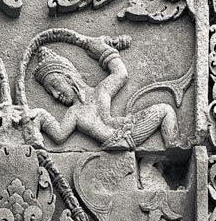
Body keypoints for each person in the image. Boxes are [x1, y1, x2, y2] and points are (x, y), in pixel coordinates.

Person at [23, 36, 179, 150]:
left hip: (127, 131)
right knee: (165, 110)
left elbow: (121, 74)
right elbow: (59, 136)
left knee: (165, 110)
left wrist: (103, 50)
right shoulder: (74, 113)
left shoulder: (101, 90)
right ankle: (174, 146)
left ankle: (174, 147)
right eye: (50, 92)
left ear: (69, 78)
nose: (56, 94)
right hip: (116, 141)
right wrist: (41, 116)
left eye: (55, 86)